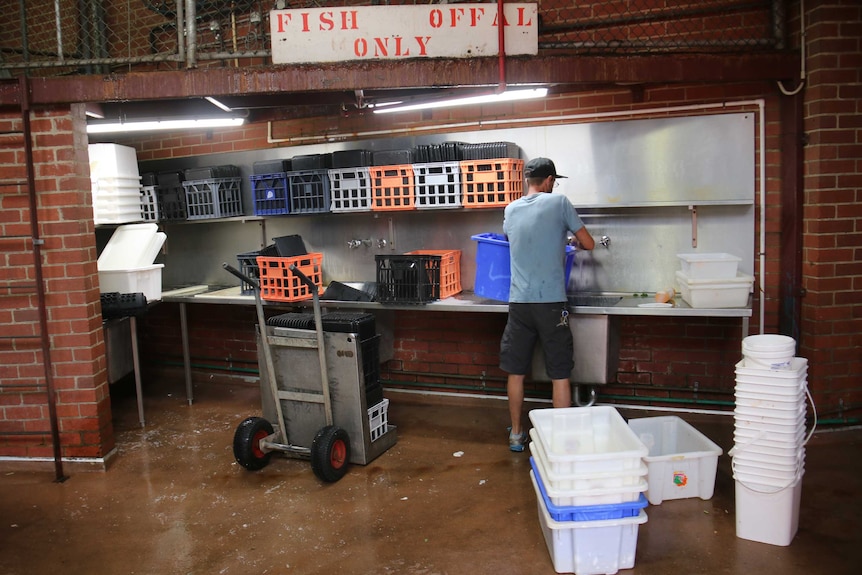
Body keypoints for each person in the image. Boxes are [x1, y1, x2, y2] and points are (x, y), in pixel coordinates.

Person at [499, 157, 595, 452]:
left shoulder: (510, 209)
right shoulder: (560, 203)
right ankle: (559, 438)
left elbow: (516, 239)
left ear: (528, 180)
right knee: (560, 371)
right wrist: (572, 243)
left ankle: (517, 434)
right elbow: (589, 243)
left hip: (519, 302)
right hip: (552, 302)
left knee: (516, 370)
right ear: (550, 180)